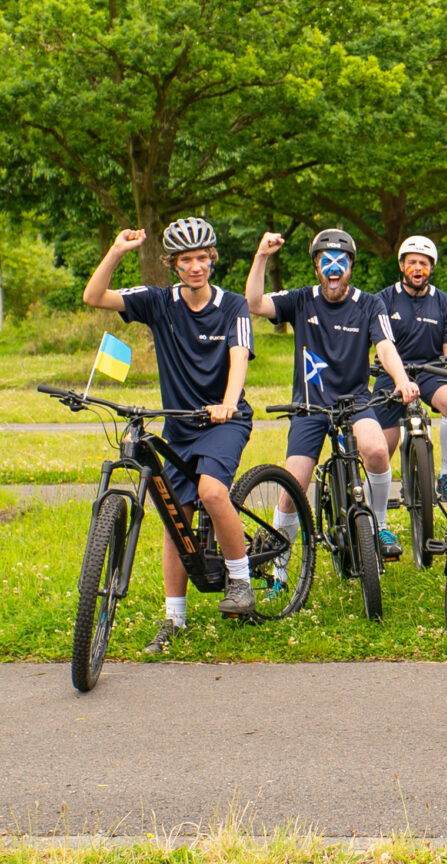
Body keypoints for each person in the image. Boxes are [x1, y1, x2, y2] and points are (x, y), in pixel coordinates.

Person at [82, 218, 256, 653]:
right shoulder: (158, 301)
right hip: (179, 425)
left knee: (213, 494)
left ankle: (240, 581)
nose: (195, 267)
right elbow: (94, 296)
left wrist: (229, 401)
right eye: (185, 260)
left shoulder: (233, 305)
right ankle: (174, 620)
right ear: (172, 264)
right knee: (172, 513)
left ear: (211, 259)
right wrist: (117, 251)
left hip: (223, 420)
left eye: (202, 258)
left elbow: (238, 359)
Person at [246, 229, 420, 567]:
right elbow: (254, 303)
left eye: (341, 262)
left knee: (377, 451)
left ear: (351, 267)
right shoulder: (300, 299)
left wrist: (401, 379)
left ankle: (380, 526)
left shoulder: (370, 304)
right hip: (310, 405)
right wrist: (262, 256)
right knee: (293, 484)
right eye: (327, 262)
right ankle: (280, 570)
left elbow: (385, 345)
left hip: (354, 401)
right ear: (316, 267)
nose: (334, 268)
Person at [373, 235, 447, 503]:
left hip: (429, 371)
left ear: (431, 268)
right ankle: (375, 513)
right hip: (390, 374)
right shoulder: (383, 299)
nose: (417, 268)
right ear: (402, 265)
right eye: (412, 262)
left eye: (423, 263)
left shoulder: (444, 301)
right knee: (381, 448)